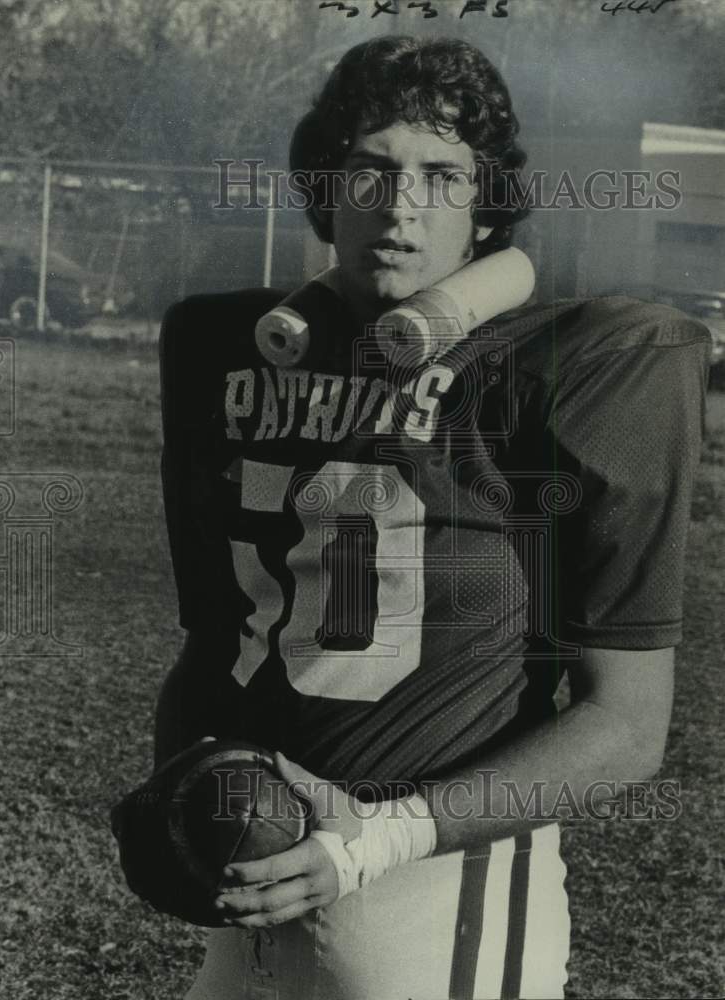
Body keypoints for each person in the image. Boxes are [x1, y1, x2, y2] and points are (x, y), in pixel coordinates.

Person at [154, 35, 709, 1000]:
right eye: (371, 169)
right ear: (325, 188)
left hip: (437, 894)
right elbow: (212, 638)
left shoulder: (575, 365)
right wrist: (186, 782)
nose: (402, 206)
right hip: (256, 882)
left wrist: (383, 839)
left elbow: (628, 727)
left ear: (488, 203)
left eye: (442, 175)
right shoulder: (227, 350)